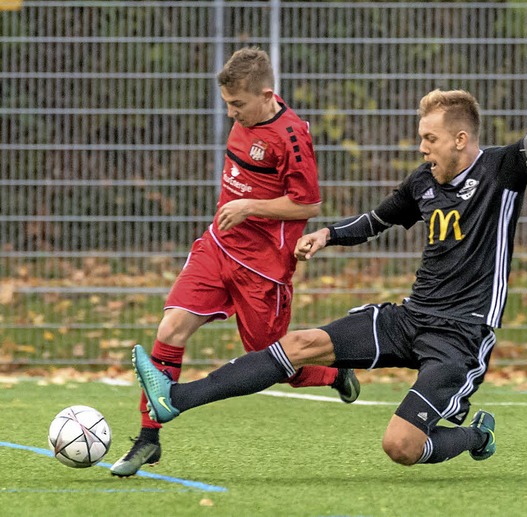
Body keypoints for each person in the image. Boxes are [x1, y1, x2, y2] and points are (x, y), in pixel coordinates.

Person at [131, 20, 527, 467]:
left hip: (460, 336)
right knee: (296, 345)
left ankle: (474, 436)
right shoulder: (423, 182)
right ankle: (176, 399)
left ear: (460, 139)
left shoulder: (503, 171)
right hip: (410, 317)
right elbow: (377, 220)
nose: (421, 148)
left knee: (401, 447)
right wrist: (327, 235)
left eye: (429, 139)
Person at [111, 48, 360, 477]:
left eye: (238, 105)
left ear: (267, 95)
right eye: (227, 104)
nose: (231, 114)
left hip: (264, 268)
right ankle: (148, 440)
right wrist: (239, 212)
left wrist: (249, 208)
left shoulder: (293, 136)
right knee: (170, 328)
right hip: (218, 248)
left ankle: (333, 375)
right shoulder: (244, 117)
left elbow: (309, 205)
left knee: (271, 364)